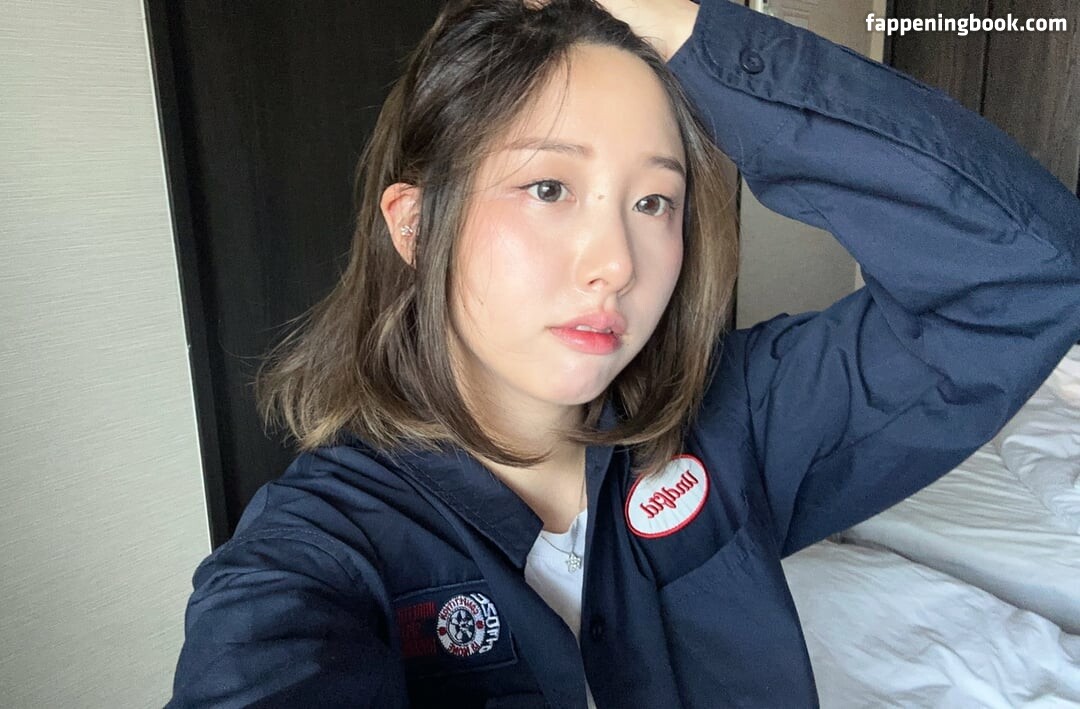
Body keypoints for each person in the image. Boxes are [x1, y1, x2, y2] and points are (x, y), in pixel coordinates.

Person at [167, 0, 1080, 706]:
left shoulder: (737, 424)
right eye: (549, 187)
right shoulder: (317, 559)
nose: (616, 263)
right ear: (414, 226)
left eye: (653, 202)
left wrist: (686, 30)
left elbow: (1026, 279)